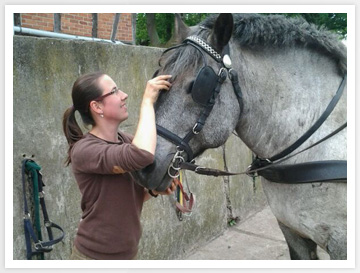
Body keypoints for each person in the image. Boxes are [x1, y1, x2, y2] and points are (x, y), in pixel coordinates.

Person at [62, 71, 176, 260]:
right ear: (97, 106)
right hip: (93, 258)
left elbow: (128, 198)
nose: (124, 95)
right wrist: (147, 102)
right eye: (114, 91)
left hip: (127, 254)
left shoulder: (124, 140)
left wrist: (154, 191)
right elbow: (142, 154)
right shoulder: (84, 150)